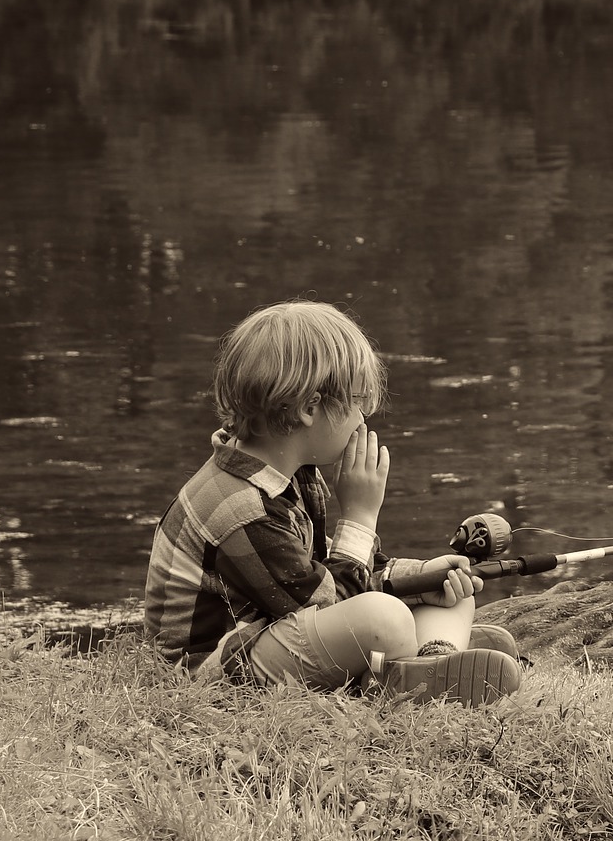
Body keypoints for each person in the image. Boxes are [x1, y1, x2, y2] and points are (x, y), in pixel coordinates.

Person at [143, 300, 523, 706]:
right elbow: (327, 601)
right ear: (309, 408)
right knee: (384, 618)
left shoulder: (293, 475)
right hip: (216, 669)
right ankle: (413, 671)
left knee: (451, 589)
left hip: (279, 622)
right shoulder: (240, 508)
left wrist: (421, 576)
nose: (364, 420)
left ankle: (433, 661)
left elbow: (325, 573)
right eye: (358, 403)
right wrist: (360, 515)